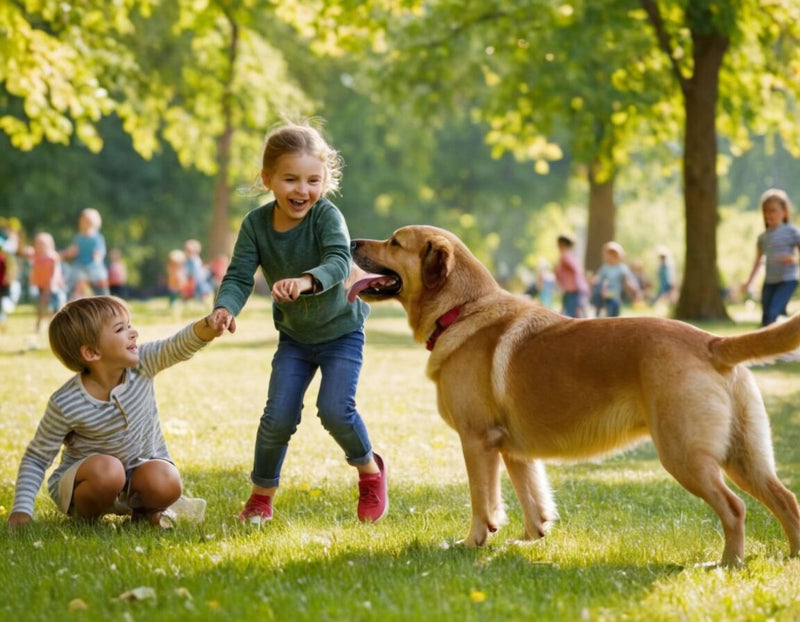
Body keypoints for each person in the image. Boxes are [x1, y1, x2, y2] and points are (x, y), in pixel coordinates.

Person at [210, 120, 388, 525]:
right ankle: (260, 498)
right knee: (278, 416)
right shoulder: (256, 226)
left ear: (325, 181)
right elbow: (239, 276)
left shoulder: (327, 216)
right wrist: (226, 308)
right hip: (295, 338)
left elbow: (340, 261)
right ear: (267, 178)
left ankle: (370, 472)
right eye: (290, 179)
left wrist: (306, 281)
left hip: (342, 331)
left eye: (313, 180)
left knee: (335, 411)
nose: (302, 190)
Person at [7, 295, 224, 529]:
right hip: (91, 483)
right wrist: (21, 509)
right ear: (91, 353)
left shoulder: (143, 364)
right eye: (121, 329)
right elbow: (37, 457)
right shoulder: (66, 402)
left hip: (137, 475)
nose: (133, 333)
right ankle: (87, 519)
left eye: (129, 325)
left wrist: (208, 327)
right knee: (109, 470)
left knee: (167, 480)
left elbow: (176, 345)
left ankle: (142, 514)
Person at [743, 188, 800, 326]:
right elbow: (757, 262)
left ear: (784, 212)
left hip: (787, 280)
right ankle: (781, 342)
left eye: (773, 210)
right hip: (769, 281)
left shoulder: (792, 232)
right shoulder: (763, 237)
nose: (769, 214)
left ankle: (775, 344)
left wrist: (793, 259)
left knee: (773, 313)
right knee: (767, 315)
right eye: (765, 211)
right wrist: (749, 282)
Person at [61, 207, 109, 298]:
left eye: (88, 222)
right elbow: (74, 250)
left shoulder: (97, 238)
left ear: (95, 224)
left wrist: (97, 257)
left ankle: (104, 298)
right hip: (80, 265)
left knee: (100, 283)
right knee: (77, 281)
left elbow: (99, 251)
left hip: (93, 266)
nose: (85, 224)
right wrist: (66, 253)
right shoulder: (78, 238)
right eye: (83, 221)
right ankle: (77, 298)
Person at [29, 231, 66, 332]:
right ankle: (39, 325)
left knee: (56, 306)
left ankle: (58, 326)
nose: (40, 246)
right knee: (41, 305)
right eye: (38, 244)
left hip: (54, 286)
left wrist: (52, 284)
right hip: (41, 285)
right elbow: (34, 270)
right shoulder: (36, 257)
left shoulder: (52, 257)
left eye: (43, 244)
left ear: (50, 245)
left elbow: (56, 271)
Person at [592, 241, 640, 318]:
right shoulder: (605, 267)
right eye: (609, 255)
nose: (611, 257)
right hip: (605, 293)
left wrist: (634, 291)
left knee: (614, 313)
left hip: (616, 294)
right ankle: (598, 312)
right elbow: (599, 279)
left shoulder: (622, 268)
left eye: (614, 255)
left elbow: (630, 280)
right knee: (605, 312)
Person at [553, 234, 589, 318]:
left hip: (573, 290)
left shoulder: (566, 256)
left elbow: (576, 270)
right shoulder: (569, 255)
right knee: (567, 312)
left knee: (571, 314)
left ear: (562, 244)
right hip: (570, 290)